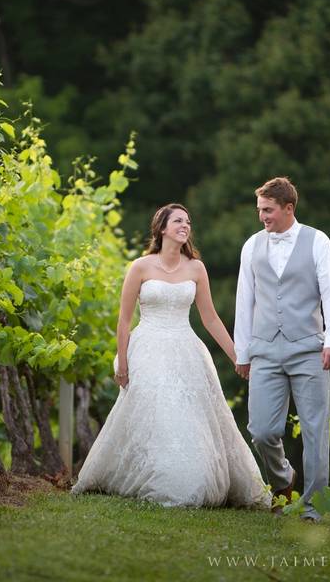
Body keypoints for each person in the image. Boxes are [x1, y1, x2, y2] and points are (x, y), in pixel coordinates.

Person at [71, 203, 270, 509]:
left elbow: (211, 319)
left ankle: (192, 479)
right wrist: (122, 361)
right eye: (178, 220)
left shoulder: (196, 268)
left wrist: (237, 356)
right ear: (162, 228)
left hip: (186, 348)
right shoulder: (140, 267)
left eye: (188, 222)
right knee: (157, 414)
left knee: (189, 418)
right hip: (148, 347)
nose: (185, 225)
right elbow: (124, 320)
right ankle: (154, 476)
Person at [234, 177, 330, 522]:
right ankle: (283, 480)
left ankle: (313, 507)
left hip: (309, 348)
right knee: (262, 430)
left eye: (268, 210)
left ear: (288, 208)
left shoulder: (317, 241)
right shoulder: (251, 246)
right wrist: (243, 352)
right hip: (265, 349)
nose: (262, 216)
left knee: (315, 429)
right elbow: (244, 300)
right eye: (259, 210)